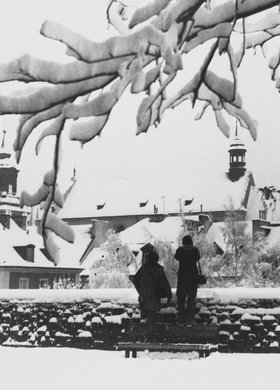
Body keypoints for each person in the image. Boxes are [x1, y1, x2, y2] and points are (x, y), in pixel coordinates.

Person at [133, 251, 172, 340]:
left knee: (145, 314)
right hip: (155, 295)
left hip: (144, 295)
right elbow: (165, 283)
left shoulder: (143, 268)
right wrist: (169, 295)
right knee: (152, 315)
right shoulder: (159, 269)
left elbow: (135, 280)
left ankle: (145, 335)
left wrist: (141, 290)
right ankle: (151, 335)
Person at [175, 235, 201, 326]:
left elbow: (176, 257)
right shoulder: (195, 250)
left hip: (182, 277)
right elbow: (198, 258)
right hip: (192, 277)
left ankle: (180, 320)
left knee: (181, 299)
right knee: (191, 299)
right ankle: (190, 320)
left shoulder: (180, 250)